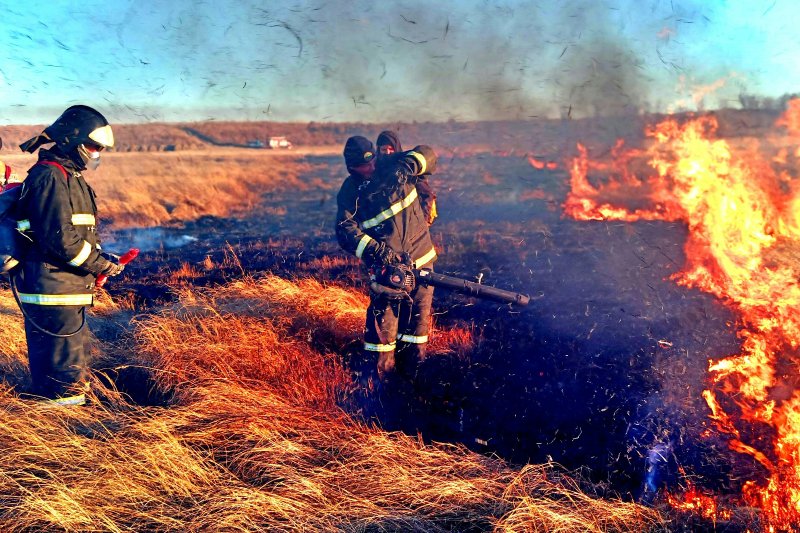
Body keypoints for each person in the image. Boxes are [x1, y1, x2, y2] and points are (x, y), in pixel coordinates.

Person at [13, 105, 124, 405]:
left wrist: (99, 264)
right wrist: (99, 264)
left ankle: (66, 429)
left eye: (100, 148)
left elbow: (80, 234)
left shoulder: (71, 177)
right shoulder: (49, 177)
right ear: (70, 140)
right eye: (93, 145)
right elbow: (61, 241)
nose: (97, 152)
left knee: (71, 371)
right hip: (52, 294)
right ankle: (61, 439)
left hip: (66, 291)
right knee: (62, 381)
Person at [335, 135, 438, 403]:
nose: (369, 170)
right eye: (362, 167)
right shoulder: (350, 192)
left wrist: (409, 166)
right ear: (351, 168)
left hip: (421, 261)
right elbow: (345, 232)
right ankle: (382, 393)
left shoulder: (394, 164)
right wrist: (376, 251)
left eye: (371, 163)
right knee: (383, 332)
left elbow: (427, 153)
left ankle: (414, 387)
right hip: (388, 272)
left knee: (416, 331)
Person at [375, 130, 438, 226]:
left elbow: (425, 193)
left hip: (411, 223)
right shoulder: (375, 169)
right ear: (378, 150)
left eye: (391, 149)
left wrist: (423, 223)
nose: (387, 153)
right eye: (384, 150)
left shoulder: (406, 165)